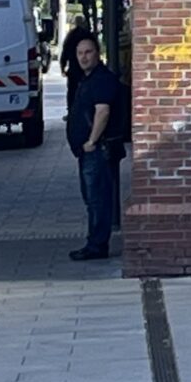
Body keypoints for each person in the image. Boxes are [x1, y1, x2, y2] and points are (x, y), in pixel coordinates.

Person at [63, 26, 127, 262]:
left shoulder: (101, 79)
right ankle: (95, 241)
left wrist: (91, 141)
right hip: (89, 151)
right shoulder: (88, 79)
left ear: (97, 53)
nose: (83, 57)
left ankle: (97, 244)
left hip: (97, 151)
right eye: (80, 53)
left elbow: (103, 111)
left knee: (98, 198)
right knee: (92, 198)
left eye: (88, 52)